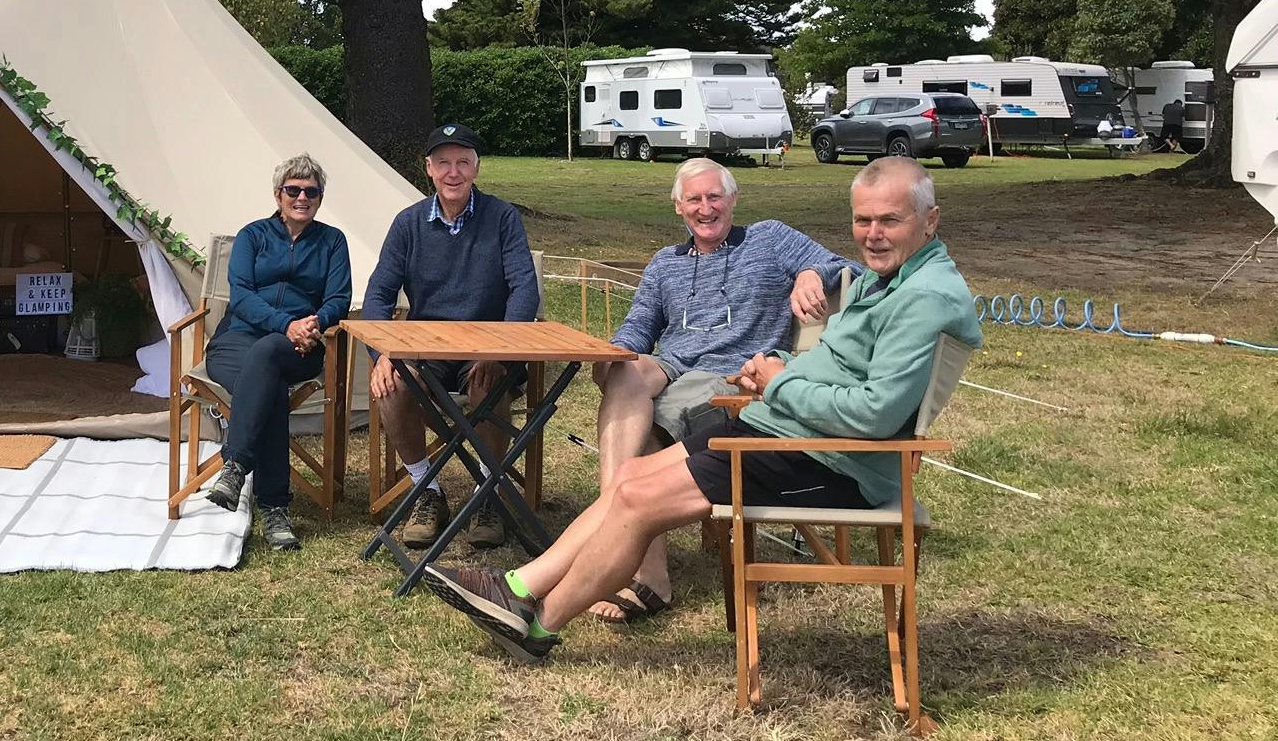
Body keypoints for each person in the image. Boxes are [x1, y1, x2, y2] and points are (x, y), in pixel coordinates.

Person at [418, 156, 980, 663]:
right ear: (678, 206)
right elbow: (835, 364)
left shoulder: (922, 297)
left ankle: (538, 623)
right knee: (630, 475)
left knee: (636, 497)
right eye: (863, 220)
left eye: (889, 221)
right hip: (782, 432)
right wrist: (778, 363)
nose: (873, 234)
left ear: (929, 221)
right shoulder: (891, 282)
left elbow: (875, 415)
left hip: (827, 460)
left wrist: (779, 381)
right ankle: (516, 587)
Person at [588, 158, 858, 622]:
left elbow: (850, 268)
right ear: (678, 207)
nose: (705, 207)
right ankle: (611, 517)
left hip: (733, 376)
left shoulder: (769, 239)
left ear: (733, 199)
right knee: (623, 373)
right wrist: (614, 355)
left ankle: (646, 576)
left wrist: (812, 272)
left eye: (715, 196)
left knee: (648, 431)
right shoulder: (665, 263)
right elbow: (638, 328)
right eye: (694, 199)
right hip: (673, 366)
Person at [362, 122, 541, 549]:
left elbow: (525, 288)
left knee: (487, 383)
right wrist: (382, 353)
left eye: (463, 162)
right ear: (429, 168)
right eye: (443, 163)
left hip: (488, 347)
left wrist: (499, 350)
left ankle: (488, 493)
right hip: (429, 348)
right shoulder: (407, 223)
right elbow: (378, 294)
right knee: (392, 384)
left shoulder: (502, 217)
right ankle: (426, 489)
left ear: (477, 168)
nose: (453, 172)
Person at [203, 154, 352, 550]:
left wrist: (313, 324)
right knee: (268, 390)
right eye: (293, 190)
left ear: (320, 198)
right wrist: (285, 324)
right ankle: (274, 507)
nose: (302, 197)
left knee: (269, 353)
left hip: (300, 346)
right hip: (237, 340)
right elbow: (241, 296)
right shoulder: (253, 235)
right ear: (278, 195)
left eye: (311, 192)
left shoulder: (333, 241)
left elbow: (339, 298)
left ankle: (236, 465)